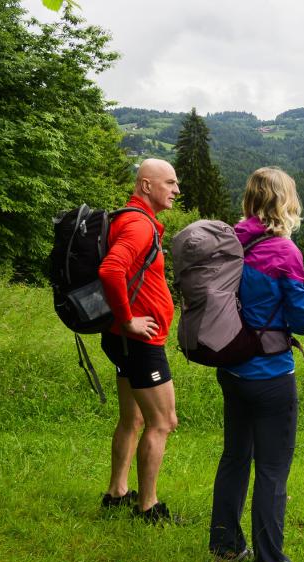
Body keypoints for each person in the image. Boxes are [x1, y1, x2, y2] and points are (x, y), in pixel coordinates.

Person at [208, 167, 304, 562]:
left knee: (235, 455)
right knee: (272, 470)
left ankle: (225, 545)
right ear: (283, 201)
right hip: (270, 373)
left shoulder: (229, 240)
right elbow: (303, 322)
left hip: (231, 367)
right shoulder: (283, 252)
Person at [98, 158, 180, 523]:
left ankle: (117, 492)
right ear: (146, 185)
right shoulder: (138, 224)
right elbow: (111, 269)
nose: (176, 190)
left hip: (124, 341)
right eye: (170, 183)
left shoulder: (131, 220)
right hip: (139, 343)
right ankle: (148, 506)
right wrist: (128, 319)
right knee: (163, 422)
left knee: (131, 419)